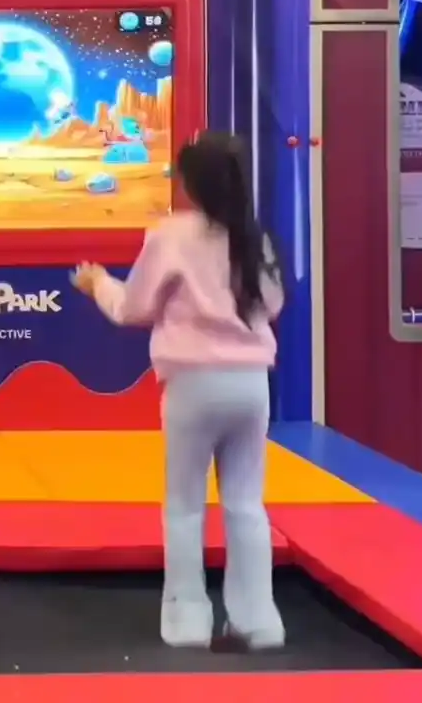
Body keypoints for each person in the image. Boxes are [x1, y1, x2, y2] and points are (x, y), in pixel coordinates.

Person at [70, 132, 286, 650]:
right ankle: (259, 622)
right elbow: (272, 304)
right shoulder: (254, 237)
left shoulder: (171, 236)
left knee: (186, 505)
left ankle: (188, 622)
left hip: (193, 383)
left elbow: (134, 308)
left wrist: (99, 284)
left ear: (191, 184)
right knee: (246, 503)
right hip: (251, 384)